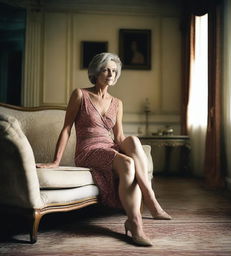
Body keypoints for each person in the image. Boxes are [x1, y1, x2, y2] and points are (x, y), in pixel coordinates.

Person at [37, 52, 171, 246]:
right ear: (96, 72)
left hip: (108, 146)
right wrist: (55, 161)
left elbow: (119, 137)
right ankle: (136, 222)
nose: (111, 74)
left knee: (132, 140)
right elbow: (66, 129)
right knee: (127, 163)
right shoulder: (80, 94)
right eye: (106, 69)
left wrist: (129, 144)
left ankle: (147, 202)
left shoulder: (117, 103)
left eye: (114, 71)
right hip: (88, 150)